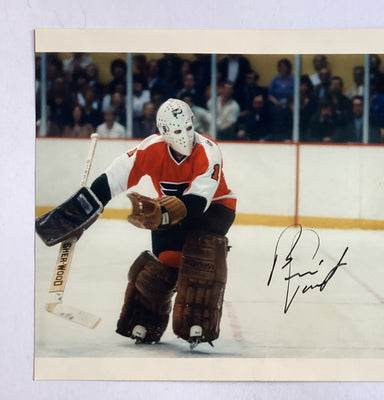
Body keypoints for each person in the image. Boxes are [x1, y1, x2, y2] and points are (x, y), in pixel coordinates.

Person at [35, 98, 236, 348]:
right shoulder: (149, 149)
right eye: (176, 131)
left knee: (200, 255)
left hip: (215, 209)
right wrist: (79, 214)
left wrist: (163, 216)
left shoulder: (208, 149)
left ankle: (198, 319)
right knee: (163, 263)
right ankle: (146, 319)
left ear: (193, 123)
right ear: (162, 131)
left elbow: (198, 202)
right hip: (170, 209)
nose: (184, 136)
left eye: (187, 128)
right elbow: (111, 180)